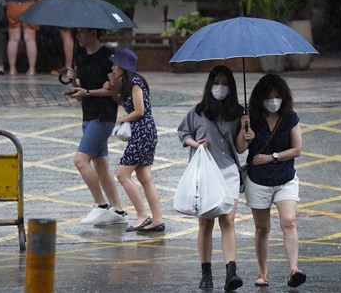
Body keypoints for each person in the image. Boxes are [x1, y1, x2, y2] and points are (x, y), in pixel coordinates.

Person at [177, 65, 243, 291]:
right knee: (205, 224)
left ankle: (231, 272)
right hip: (205, 174)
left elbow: (241, 148)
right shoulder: (198, 112)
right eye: (216, 83)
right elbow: (183, 133)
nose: (220, 87)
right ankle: (206, 274)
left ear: (231, 87)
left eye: (224, 84)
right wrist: (197, 144)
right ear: (209, 85)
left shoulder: (239, 113)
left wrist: (247, 131)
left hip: (228, 171)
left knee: (228, 220)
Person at [236, 74, 305, 288]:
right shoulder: (252, 117)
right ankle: (262, 272)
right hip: (258, 180)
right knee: (262, 228)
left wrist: (272, 156)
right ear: (260, 98)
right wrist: (243, 128)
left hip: (285, 177)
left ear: (284, 97)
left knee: (288, 221)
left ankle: (294, 269)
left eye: (277, 96)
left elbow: (297, 149)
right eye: (269, 97)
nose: (274, 101)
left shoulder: (290, 117)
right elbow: (240, 149)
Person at [66, 28, 128, 226]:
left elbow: (114, 91)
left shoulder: (108, 56)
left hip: (104, 116)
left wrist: (88, 92)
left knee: (80, 160)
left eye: (81, 33)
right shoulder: (81, 59)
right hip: (88, 115)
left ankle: (101, 206)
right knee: (101, 165)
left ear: (93, 33)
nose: (78, 37)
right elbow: (79, 92)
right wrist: (72, 80)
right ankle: (118, 211)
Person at [103, 48, 165, 233]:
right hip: (146, 133)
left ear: (123, 66)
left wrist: (123, 118)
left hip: (142, 134)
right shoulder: (129, 83)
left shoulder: (136, 82)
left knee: (122, 174)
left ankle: (142, 215)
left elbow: (140, 111)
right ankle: (158, 220)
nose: (113, 67)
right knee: (145, 178)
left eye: (115, 64)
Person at [0, 0, 44, 75]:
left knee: (13, 39)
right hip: (30, 5)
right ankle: (31, 69)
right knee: (30, 39)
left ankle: (12, 69)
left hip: (13, 5)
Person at [50, 0, 80, 75]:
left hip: (68, 3)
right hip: (68, 2)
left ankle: (69, 65)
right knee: (65, 33)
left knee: (66, 32)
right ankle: (69, 64)